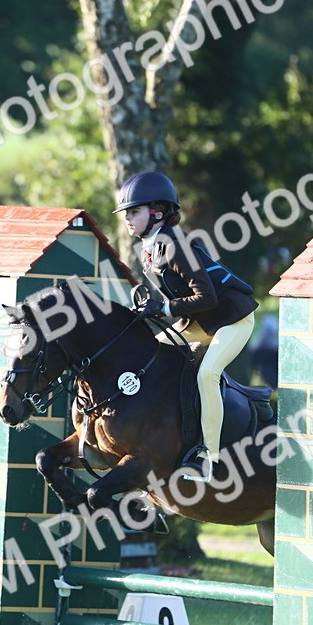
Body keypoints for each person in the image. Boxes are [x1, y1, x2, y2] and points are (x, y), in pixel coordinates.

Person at [115, 171, 258, 481]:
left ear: (157, 212)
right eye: (126, 212)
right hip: (200, 321)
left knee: (207, 374)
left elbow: (205, 296)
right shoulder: (150, 247)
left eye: (134, 211)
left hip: (233, 320)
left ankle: (209, 458)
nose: (127, 218)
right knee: (152, 356)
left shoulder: (173, 244)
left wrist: (163, 308)